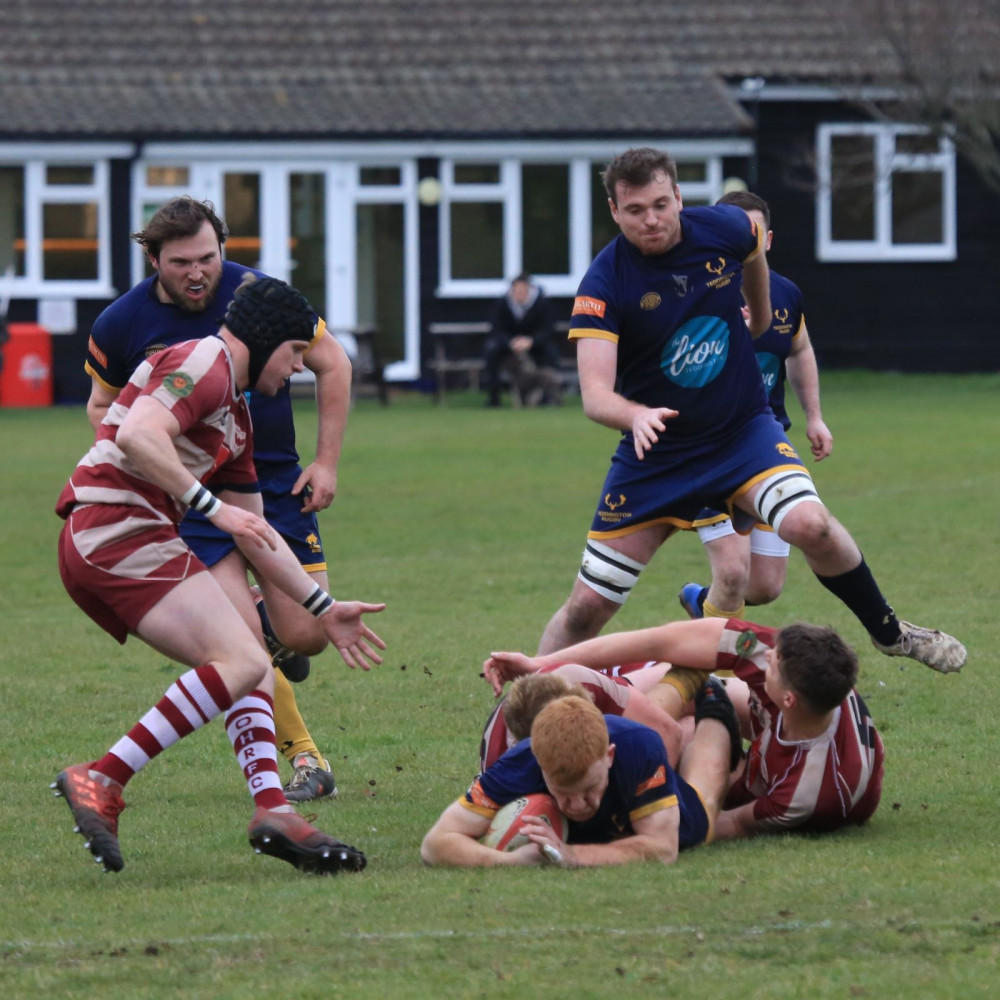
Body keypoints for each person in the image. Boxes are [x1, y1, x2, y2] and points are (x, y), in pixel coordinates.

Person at [536, 147, 965, 676]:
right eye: (634, 210)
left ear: (678, 197)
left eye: (660, 204)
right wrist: (634, 416)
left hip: (742, 434)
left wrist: (758, 317)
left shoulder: (728, 228)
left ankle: (890, 632)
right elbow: (595, 395)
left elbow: (753, 252)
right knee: (586, 607)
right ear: (614, 211)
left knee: (814, 526)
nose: (651, 219)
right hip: (659, 459)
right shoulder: (604, 282)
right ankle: (524, 703)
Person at [53, 275, 386, 875]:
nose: (296, 372)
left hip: (135, 535)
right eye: (294, 356)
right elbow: (135, 434)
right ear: (264, 342)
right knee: (240, 661)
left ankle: (272, 809)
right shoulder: (203, 360)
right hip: (111, 530)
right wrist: (211, 507)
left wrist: (321, 607)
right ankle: (101, 777)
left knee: (249, 657)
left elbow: (260, 537)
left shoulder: (236, 416)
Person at [85, 196, 351, 801]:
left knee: (306, 633)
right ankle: (302, 764)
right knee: (242, 648)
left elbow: (334, 365)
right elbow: (106, 412)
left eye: (208, 257)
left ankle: (263, 616)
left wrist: (327, 462)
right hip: (195, 500)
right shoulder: (121, 324)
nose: (198, 272)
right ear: (153, 259)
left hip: (272, 483)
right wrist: (153, 464)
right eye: (181, 263)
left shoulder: (261, 299)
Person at [486, 615, 884, 838]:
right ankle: (686, 685)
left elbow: (716, 826)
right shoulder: (792, 666)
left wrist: (608, 831)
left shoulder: (808, 792)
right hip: (778, 730)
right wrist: (541, 664)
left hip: (777, 778)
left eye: (773, 664)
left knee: (697, 786)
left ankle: (700, 698)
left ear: (788, 699)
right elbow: (661, 640)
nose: (768, 657)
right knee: (684, 673)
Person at [679, 190, 833, 620]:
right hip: (709, 449)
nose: (746, 239)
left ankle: (699, 603)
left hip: (765, 449)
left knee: (763, 587)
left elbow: (799, 350)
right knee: (732, 571)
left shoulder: (785, 294)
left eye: (755, 232)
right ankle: (714, 680)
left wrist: (815, 417)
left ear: (767, 241)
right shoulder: (696, 294)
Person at [420, 685, 739, 869]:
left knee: (706, 804)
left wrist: (571, 854)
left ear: (608, 756)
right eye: (562, 792)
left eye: (589, 788)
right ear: (541, 767)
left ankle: (714, 700)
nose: (576, 804)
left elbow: (663, 849)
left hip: (671, 811)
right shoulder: (518, 766)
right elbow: (435, 844)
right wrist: (511, 862)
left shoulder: (639, 748)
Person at [479, 660, 683, 770]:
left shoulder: (580, 684)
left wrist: (655, 807)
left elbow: (668, 732)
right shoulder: (505, 772)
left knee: (690, 710)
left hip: (609, 680)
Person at [482, 273, 563, 407]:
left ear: (529, 289)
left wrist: (531, 341)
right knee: (491, 350)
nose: (520, 294)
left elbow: (548, 329)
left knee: (550, 352)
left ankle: (549, 397)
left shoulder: (541, 304)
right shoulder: (502, 304)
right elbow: (496, 329)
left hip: (534, 345)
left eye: (523, 290)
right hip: (508, 345)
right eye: (517, 290)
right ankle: (494, 397)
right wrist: (510, 342)